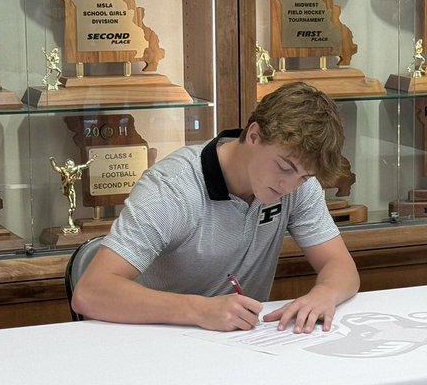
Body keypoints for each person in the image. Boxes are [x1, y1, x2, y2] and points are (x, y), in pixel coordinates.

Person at [71, 82, 359, 332]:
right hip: (156, 340)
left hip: (240, 344)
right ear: (254, 135)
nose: (289, 187)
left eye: (304, 177)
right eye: (284, 167)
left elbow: (341, 266)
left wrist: (325, 293)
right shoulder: (172, 188)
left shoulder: (298, 184)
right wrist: (199, 310)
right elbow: (92, 291)